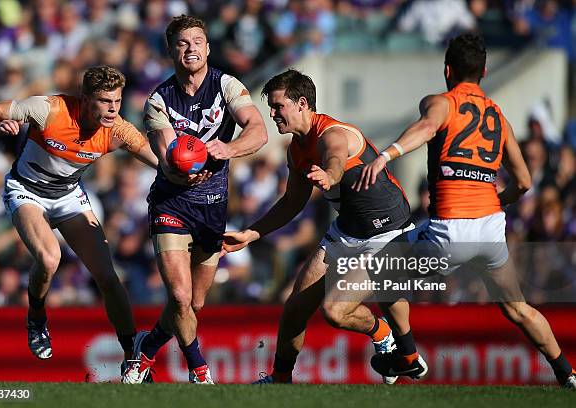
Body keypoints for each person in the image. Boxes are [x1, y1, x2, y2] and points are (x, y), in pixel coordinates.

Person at [354, 33, 576, 388]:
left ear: (447, 70)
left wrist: (385, 155)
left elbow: (427, 129)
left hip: (450, 232)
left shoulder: (442, 102)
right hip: (490, 230)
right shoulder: (498, 117)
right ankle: (567, 372)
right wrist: (498, 202)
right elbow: (524, 182)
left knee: (382, 270)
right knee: (517, 308)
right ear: (484, 71)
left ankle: (408, 357)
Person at [222, 69, 428, 384]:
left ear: (302, 103)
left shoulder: (333, 133)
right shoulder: (296, 148)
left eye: (278, 107)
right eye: (272, 108)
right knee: (295, 307)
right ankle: (280, 381)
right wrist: (251, 234)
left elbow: (334, 159)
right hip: (348, 231)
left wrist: (329, 177)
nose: (273, 114)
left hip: (389, 233)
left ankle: (382, 333)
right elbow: (292, 202)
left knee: (335, 311)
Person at [0, 66, 159, 365]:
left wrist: (190, 174)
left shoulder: (118, 131)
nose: (112, 109)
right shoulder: (49, 109)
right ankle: (36, 317)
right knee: (49, 258)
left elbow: (162, 165)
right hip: (26, 190)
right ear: (85, 99)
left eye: (117, 101)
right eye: (104, 101)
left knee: (108, 278)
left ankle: (133, 358)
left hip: (69, 196)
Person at [120, 15, 267, 385]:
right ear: (171, 50)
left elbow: (259, 131)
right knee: (181, 296)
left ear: (208, 48)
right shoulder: (158, 100)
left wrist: (227, 148)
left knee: (195, 303)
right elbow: (167, 160)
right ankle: (199, 370)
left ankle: (146, 348)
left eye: (198, 41)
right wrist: (182, 171)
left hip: (213, 207)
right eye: (183, 43)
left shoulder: (227, 85)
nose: (192, 48)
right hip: (172, 203)